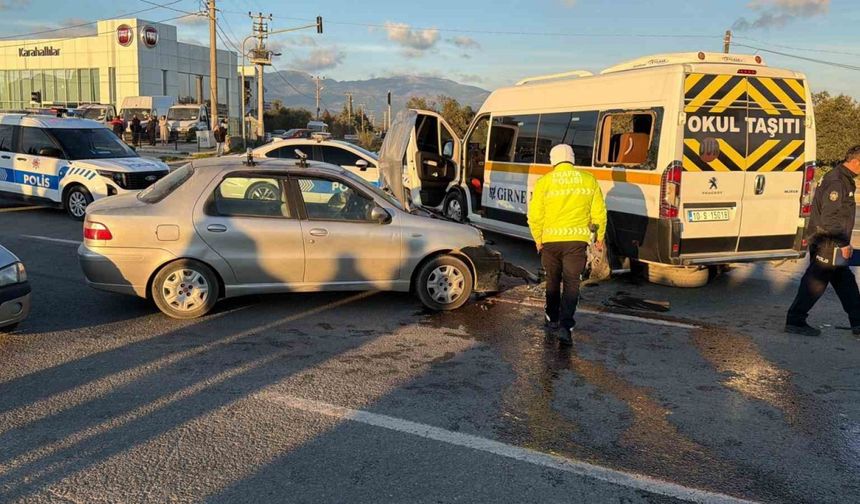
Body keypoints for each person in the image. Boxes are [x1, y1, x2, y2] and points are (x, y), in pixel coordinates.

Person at [528, 144, 607, 346]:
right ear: (572, 159)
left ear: (552, 161)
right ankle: (566, 326)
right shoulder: (588, 180)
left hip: (550, 242)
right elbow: (599, 212)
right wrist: (599, 237)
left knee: (553, 281)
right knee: (572, 283)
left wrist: (538, 238)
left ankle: (551, 319)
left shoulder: (544, 182)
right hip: (576, 242)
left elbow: (535, 215)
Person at [786, 145, 860, 337]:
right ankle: (795, 320)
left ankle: (858, 322)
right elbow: (830, 218)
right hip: (828, 243)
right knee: (815, 282)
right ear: (856, 162)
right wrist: (843, 243)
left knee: (846, 283)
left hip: (832, 242)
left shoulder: (842, 178)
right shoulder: (837, 182)